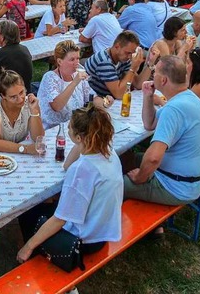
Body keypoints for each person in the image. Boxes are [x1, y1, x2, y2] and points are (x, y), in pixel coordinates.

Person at [17, 105, 123, 269]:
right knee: (48, 205)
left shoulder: (82, 170)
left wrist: (28, 246)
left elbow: (60, 219)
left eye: (70, 126)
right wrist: (80, 143)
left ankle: (38, 259)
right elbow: (67, 165)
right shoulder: (107, 151)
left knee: (28, 212)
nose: (67, 127)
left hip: (83, 242)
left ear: (79, 137)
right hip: (103, 232)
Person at [123, 55, 200, 206]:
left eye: (155, 72)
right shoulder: (187, 97)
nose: (152, 76)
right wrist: (148, 97)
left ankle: (134, 225)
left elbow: (153, 158)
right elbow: (149, 124)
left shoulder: (174, 108)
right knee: (129, 157)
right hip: (191, 179)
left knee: (113, 185)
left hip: (176, 187)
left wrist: (139, 178)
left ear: (163, 80)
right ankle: (155, 228)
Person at [38, 40, 114, 130]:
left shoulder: (77, 75)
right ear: (59, 61)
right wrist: (74, 83)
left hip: (75, 126)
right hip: (53, 128)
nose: (77, 62)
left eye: (78, 58)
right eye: (72, 59)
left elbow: (92, 97)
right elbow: (57, 106)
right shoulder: (50, 77)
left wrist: (105, 103)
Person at [0, 69, 44, 156]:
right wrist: (25, 149)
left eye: (21, 92)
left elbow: (38, 137)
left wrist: (34, 112)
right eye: (13, 97)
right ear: (3, 96)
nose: (20, 99)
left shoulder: (30, 103)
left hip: (15, 152)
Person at [85, 30, 150, 98]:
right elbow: (119, 94)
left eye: (132, 53)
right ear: (117, 46)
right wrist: (133, 69)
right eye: (128, 53)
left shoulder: (123, 58)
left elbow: (137, 84)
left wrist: (150, 64)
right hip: (96, 102)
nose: (129, 56)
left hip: (109, 100)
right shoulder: (104, 62)